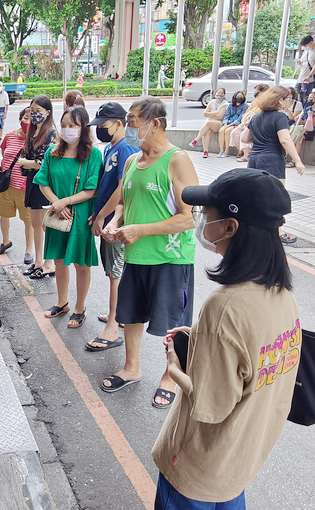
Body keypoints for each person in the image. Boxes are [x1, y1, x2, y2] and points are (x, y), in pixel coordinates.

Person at [153, 169, 300, 510]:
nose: (202, 219)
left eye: (207, 212)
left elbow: (209, 404)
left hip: (198, 464)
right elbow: (253, 356)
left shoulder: (225, 306)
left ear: (230, 226)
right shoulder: (282, 292)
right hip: (241, 457)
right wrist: (199, 337)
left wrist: (174, 365)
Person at [100, 97, 199, 409]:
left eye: (133, 121)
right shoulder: (132, 162)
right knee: (130, 316)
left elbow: (188, 217)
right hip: (136, 255)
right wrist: (115, 221)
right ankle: (132, 368)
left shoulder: (176, 159)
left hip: (170, 258)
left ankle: (170, 376)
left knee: (173, 323)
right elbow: (123, 203)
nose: (129, 127)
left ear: (154, 123)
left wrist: (139, 230)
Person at [35, 106, 102, 329]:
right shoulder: (52, 152)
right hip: (58, 214)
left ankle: (79, 308)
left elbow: (92, 190)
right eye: (64, 125)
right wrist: (56, 202)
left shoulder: (93, 155)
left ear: (83, 127)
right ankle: (62, 302)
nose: (67, 129)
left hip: (81, 216)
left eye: (73, 125)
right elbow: (42, 182)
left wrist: (65, 201)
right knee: (59, 261)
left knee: (81, 264)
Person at [86, 102, 140, 351]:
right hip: (107, 220)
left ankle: (114, 324)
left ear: (119, 124)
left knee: (116, 273)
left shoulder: (126, 150)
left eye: (104, 126)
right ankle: (114, 313)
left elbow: (120, 190)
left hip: (115, 223)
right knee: (112, 271)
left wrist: (101, 217)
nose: (100, 130)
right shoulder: (111, 148)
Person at [241, 86, 305, 245]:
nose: (288, 101)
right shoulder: (280, 117)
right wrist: (297, 160)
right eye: (287, 98)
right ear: (280, 100)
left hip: (254, 159)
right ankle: (278, 232)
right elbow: (285, 140)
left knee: (256, 195)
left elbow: (245, 138)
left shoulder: (256, 117)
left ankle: (253, 229)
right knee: (276, 197)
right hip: (272, 160)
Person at [20, 96, 58, 279]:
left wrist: (28, 162)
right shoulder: (32, 131)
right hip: (32, 182)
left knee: (45, 225)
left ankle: (49, 264)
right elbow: (24, 157)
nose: (34, 114)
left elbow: (45, 162)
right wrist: (28, 163)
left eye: (38, 111)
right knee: (35, 224)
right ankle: (38, 262)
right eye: (32, 110)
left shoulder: (51, 133)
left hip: (44, 183)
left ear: (47, 113)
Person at [0, 107, 35, 264]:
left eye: (31, 118)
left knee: (28, 220)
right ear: (21, 118)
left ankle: (29, 250)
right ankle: (5, 242)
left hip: (25, 188)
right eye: (25, 117)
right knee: (4, 214)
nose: (27, 121)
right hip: (6, 186)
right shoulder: (10, 135)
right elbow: (4, 154)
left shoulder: (35, 139)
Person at [189, 88, 227, 158]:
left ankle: (196, 140)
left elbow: (220, 116)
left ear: (224, 95)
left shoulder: (225, 104)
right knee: (206, 133)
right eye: (218, 94)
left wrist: (211, 114)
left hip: (218, 124)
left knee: (208, 123)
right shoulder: (212, 102)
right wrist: (216, 113)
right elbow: (205, 114)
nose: (219, 96)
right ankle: (205, 151)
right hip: (209, 123)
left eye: (221, 95)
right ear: (215, 94)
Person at [293, 90, 315, 161]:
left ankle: (295, 160)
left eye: (311, 98)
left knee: (299, 137)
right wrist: (299, 119)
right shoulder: (308, 108)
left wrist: (312, 115)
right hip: (305, 128)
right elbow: (304, 121)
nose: (309, 99)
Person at [295, 35, 315, 107]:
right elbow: (304, 64)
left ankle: (305, 115)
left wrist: (310, 76)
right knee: (295, 96)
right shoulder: (306, 51)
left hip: (309, 79)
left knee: (306, 99)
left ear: (311, 42)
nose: (305, 47)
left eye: (306, 45)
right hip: (301, 78)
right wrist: (300, 63)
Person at [217, 91, 248, 158]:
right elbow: (227, 115)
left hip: (237, 124)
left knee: (228, 131)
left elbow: (240, 118)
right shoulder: (230, 105)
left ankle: (227, 151)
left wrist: (229, 125)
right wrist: (225, 124)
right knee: (221, 130)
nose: (240, 98)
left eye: (241, 97)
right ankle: (221, 150)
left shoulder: (245, 106)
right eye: (238, 97)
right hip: (229, 122)